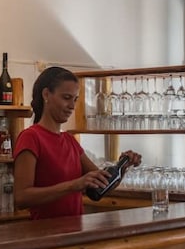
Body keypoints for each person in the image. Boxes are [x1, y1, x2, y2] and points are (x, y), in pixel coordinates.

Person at [14, 67, 141, 219]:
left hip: (75, 230)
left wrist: (122, 166)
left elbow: (102, 183)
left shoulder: (69, 140)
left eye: (75, 99)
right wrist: (74, 185)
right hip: (45, 231)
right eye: (66, 98)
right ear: (46, 94)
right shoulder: (31, 137)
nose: (72, 106)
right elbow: (21, 197)